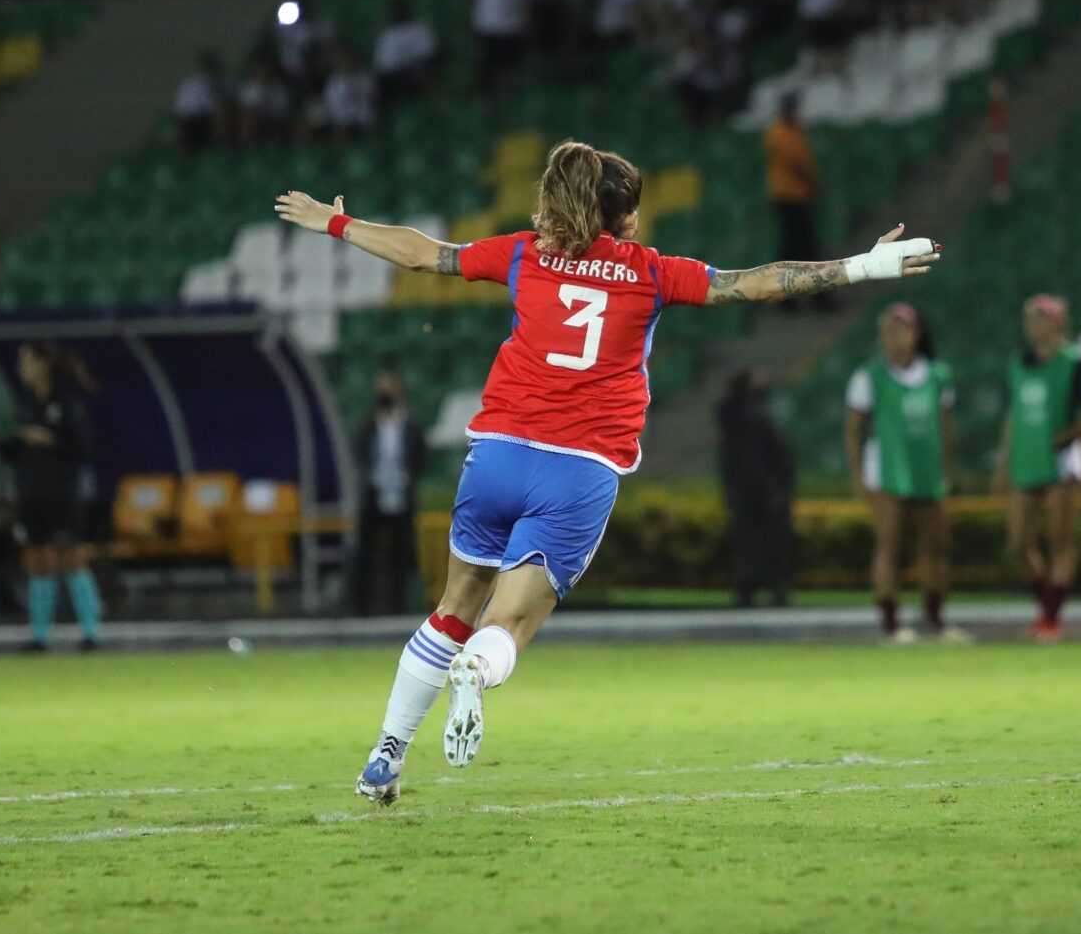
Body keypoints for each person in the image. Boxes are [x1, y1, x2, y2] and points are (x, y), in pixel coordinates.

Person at [274, 139, 940, 804]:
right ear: (620, 217)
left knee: (452, 607)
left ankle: (385, 755)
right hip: (578, 471)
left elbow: (424, 253)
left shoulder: (523, 252)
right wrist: (864, 265)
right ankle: (478, 666)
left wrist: (335, 222)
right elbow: (757, 281)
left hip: (498, 455)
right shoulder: (650, 272)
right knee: (505, 624)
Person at [845, 304, 965, 645]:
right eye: (886, 330)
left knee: (936, 547)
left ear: (916, 334)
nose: (892, 337)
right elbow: (853, 431)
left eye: (899, 329)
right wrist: (857, 477)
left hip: (927, 469)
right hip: (889, 471)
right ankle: (890, 623)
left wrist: (947, 468)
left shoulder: (937, 375)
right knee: (889, 547)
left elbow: (946, 427)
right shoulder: (869, 377)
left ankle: (935, 618)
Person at [0, 342, 100, 652]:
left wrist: (51, 440)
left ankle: (90, 633)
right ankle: (39, 637)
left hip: (62, 492)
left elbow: (84, 448)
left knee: (71, 558)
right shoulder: (25, 405)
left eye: (26, 362)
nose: (21, 369)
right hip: (31, 492)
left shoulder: (66, 402)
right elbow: (19, 453)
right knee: (37, 561)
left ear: (42, 365)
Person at [993, 295, 1081, 642]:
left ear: (1057, 323)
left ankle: (1051, 618)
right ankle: (1048, 607)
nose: (1031, 326)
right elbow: (1012, 416)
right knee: (1018, 542)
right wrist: (1003, 459)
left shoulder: (1075, 362)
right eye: (1028, 319)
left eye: (1038, 319)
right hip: (1026, 458)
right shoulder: (1019, 364)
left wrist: (1070, 435)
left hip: (1061, 460)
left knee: (1061, 542)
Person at [717, 368, 794, 608]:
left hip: (746, 492)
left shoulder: (741, 417)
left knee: (751, 543)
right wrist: (772, 489)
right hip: (756, 494)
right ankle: (761, 588)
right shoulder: (747, 418)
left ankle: (750, 588)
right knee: (762, 543)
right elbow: (754, 459)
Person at [355, 371, 427, 616]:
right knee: (366, 551)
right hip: (375, 495)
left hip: (401, 493)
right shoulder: (370, 423)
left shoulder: (410, 424)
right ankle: (361, 609)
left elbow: (419, 455)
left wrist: (406, 478)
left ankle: (400, 608)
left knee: (401, 553)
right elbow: (362, 452)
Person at [765, 93, 827, 309]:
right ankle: (794, 297)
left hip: (798, 198)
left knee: (802, 249)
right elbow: (797, 163)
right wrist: (814, 180)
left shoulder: (792, 130)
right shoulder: (780, 132)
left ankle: (806, 296)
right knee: (797, 249)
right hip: (789, 199)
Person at [372, 0, 438, 100]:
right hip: (397, 77)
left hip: (418, 70)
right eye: (395, 10)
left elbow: (431, 55)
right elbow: (382, 67)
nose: (398, 12)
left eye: (401, 9)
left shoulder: (420, 27)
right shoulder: (386, 35)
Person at [173, 50, 230, 152]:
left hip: (211, 119)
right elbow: (182, 109)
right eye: (206, 66)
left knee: (221, 119)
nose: (208, 70)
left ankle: (220, 151)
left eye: (211, 66)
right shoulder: (189, 85)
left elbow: (222, 106)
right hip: (193, 120)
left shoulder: (223, 85)